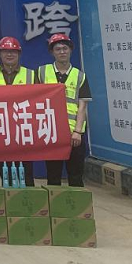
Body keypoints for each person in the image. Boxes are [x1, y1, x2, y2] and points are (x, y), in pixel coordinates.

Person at [38, 33, 91, 187]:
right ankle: (54, 202)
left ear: (70, 50)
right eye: (58, 49)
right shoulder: (41, 72)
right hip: (51, 133)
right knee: (53, 176)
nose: (62, 52)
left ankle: (76, 203)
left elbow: (82, 106)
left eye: (65, 48)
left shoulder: (80, 76)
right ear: (52, 52)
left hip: (74, 134)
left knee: (75, 176)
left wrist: (78, 131)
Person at [0, 37, 36, 187]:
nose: (9, 54)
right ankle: (9, 197)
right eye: (5, 51)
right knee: (5, 171)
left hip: (23, 129)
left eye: (13, 51)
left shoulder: (30, 74)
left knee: (26, 172)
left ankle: (28, 199)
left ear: (19, 54)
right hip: (1, 129)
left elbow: (38, 101)